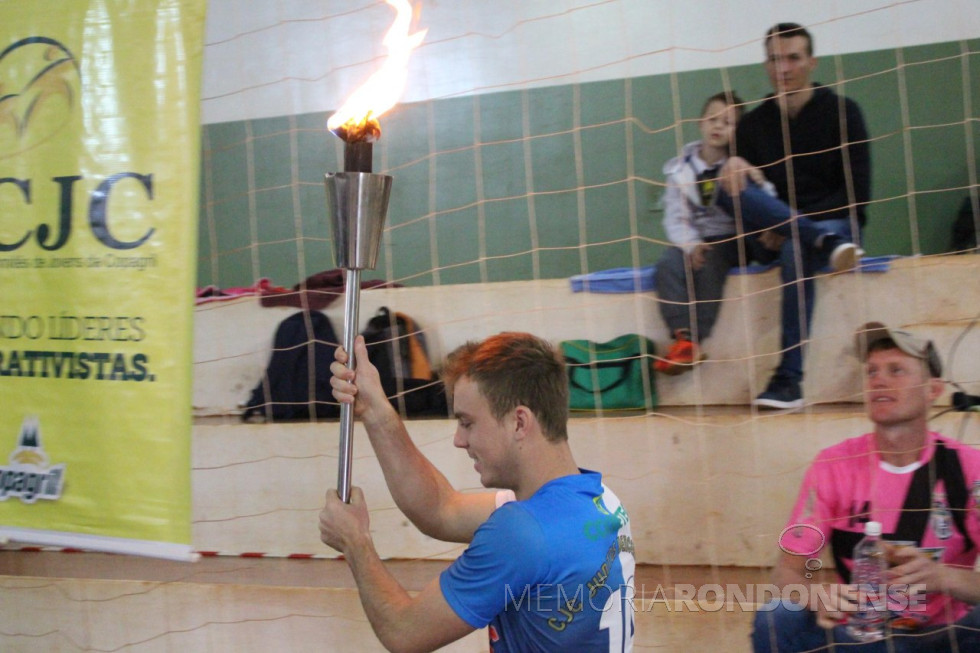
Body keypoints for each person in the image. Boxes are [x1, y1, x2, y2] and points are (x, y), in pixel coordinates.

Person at [319, 331, 636, 652]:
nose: (459, 439)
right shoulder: (598, 500)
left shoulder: (522, 532)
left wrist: (355, 542)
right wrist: (376, 411)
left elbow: (403, 632)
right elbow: (441, 510)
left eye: (467, 423)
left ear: (519, 422)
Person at [751, 322, 980, 652]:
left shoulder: (969, 468)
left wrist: (944, 577)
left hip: (944, 637)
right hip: (858, 636)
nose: (879, 380)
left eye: (896, 370)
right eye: (872, 371)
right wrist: (815, 595)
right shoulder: (833, 465)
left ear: (933, 390)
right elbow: (786, 573)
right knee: (777, 616)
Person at [721, 22, 872, 409]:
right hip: (782, 232)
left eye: (792, 58)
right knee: (723, 182)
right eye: (774, 59)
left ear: (811, 62)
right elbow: (743, 199)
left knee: (796, 251)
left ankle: (789, 380)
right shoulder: (754, 123)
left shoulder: (844, 111)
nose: (783, 68)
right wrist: (735, 164)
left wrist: (791, 229)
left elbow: (856, 193)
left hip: (836, 225)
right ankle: (815, 238)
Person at [654, 91, 785, 374]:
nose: (718, 126)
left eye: (728, 122)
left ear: (738, 131)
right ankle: (681, 336)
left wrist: (767, 216)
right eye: (713, 119)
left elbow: (766, 199)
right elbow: (675, 218)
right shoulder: (680, 170)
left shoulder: (740, 164)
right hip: (695, 239)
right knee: (667, 264)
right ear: (701, 122)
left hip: (733, 239)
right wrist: (691, 245)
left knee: (712, 264)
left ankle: (696, 340)